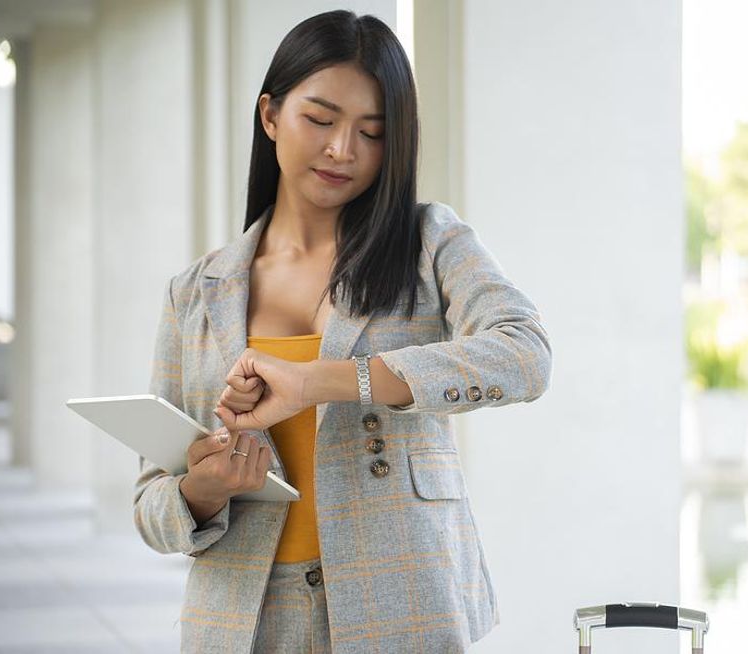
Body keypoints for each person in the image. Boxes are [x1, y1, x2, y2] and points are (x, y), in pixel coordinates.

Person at [132, 9, 552, 654]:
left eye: (373, 132)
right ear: (270, 116)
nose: (342, 150)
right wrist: (204, 488)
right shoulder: (195, 291)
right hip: (242, 619)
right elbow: (151, 509)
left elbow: (524, 355)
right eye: (320, 120)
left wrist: (324, 382)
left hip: (404, 601)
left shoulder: (429, 242)